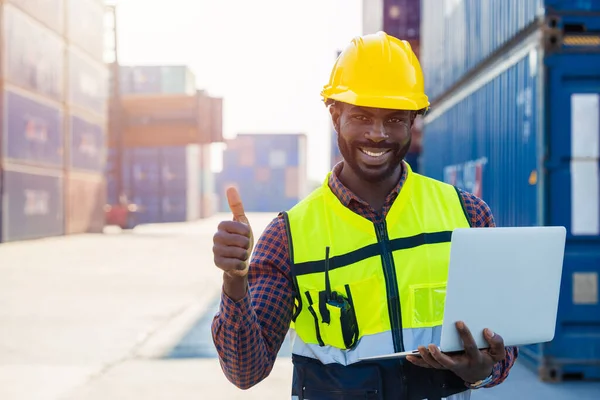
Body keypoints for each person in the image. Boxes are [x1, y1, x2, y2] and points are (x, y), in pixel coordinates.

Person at [211, 31, 518, 400]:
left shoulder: (468, 215)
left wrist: (483, 372)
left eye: (394, 119)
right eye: (361, 116)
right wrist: (234, 281)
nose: (378, 134)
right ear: (335, 116)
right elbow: (245, 370)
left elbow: (503, 346)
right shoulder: (289, 236)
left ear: (413, 121)